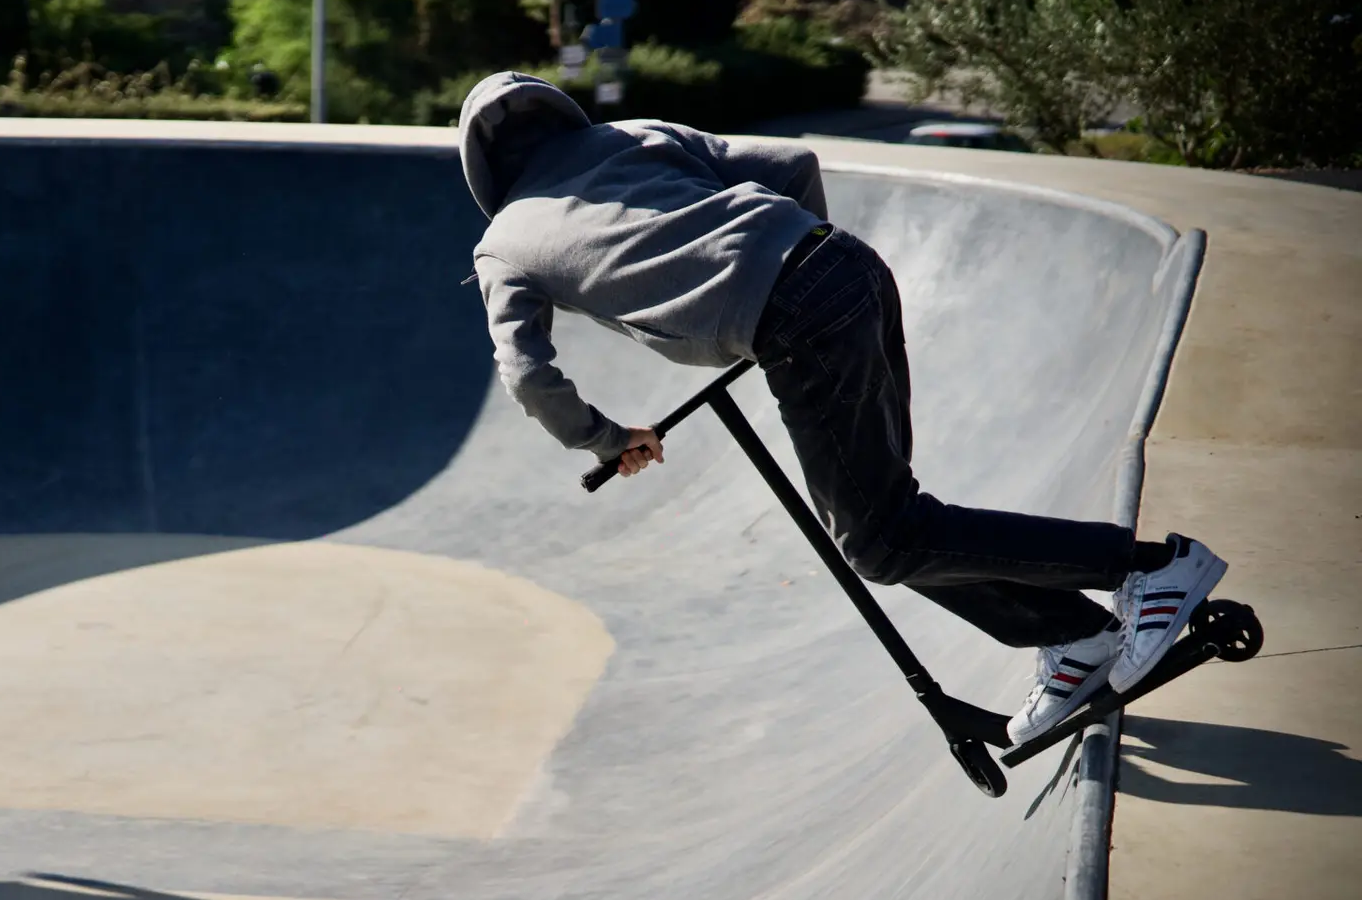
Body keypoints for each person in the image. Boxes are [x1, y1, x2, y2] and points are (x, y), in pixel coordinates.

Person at [456, 72, 1227, 745]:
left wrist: (608, 438)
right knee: (887, 521)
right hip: (847, 263)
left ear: (485, 171)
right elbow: (793, 164)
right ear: (559, 116)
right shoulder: (636, 135)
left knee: (882, 541)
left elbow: (528, 375)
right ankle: (1076, 635)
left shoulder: (504, 243)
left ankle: (1149, 570)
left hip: (799, 320)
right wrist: (794, 267)